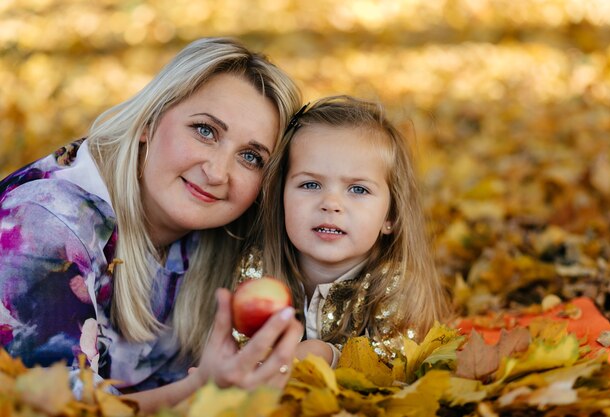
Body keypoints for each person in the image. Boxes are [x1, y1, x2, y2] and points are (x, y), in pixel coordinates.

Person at [0, 37, 303, 412]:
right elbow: (57, 410)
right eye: (205, 130)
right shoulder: (43, 224)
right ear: (149, 121)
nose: (217, 172)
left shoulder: (219, 239)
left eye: (251, 157)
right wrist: (201, 390)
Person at [240, 95, 451, 367]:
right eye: (310, 185)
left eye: (358, 189)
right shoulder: (258, 269)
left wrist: (329, 358)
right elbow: (239, 345)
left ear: (391, 215)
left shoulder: (396, 286)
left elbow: (395, 366)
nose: (331, 204)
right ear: (280, 197)